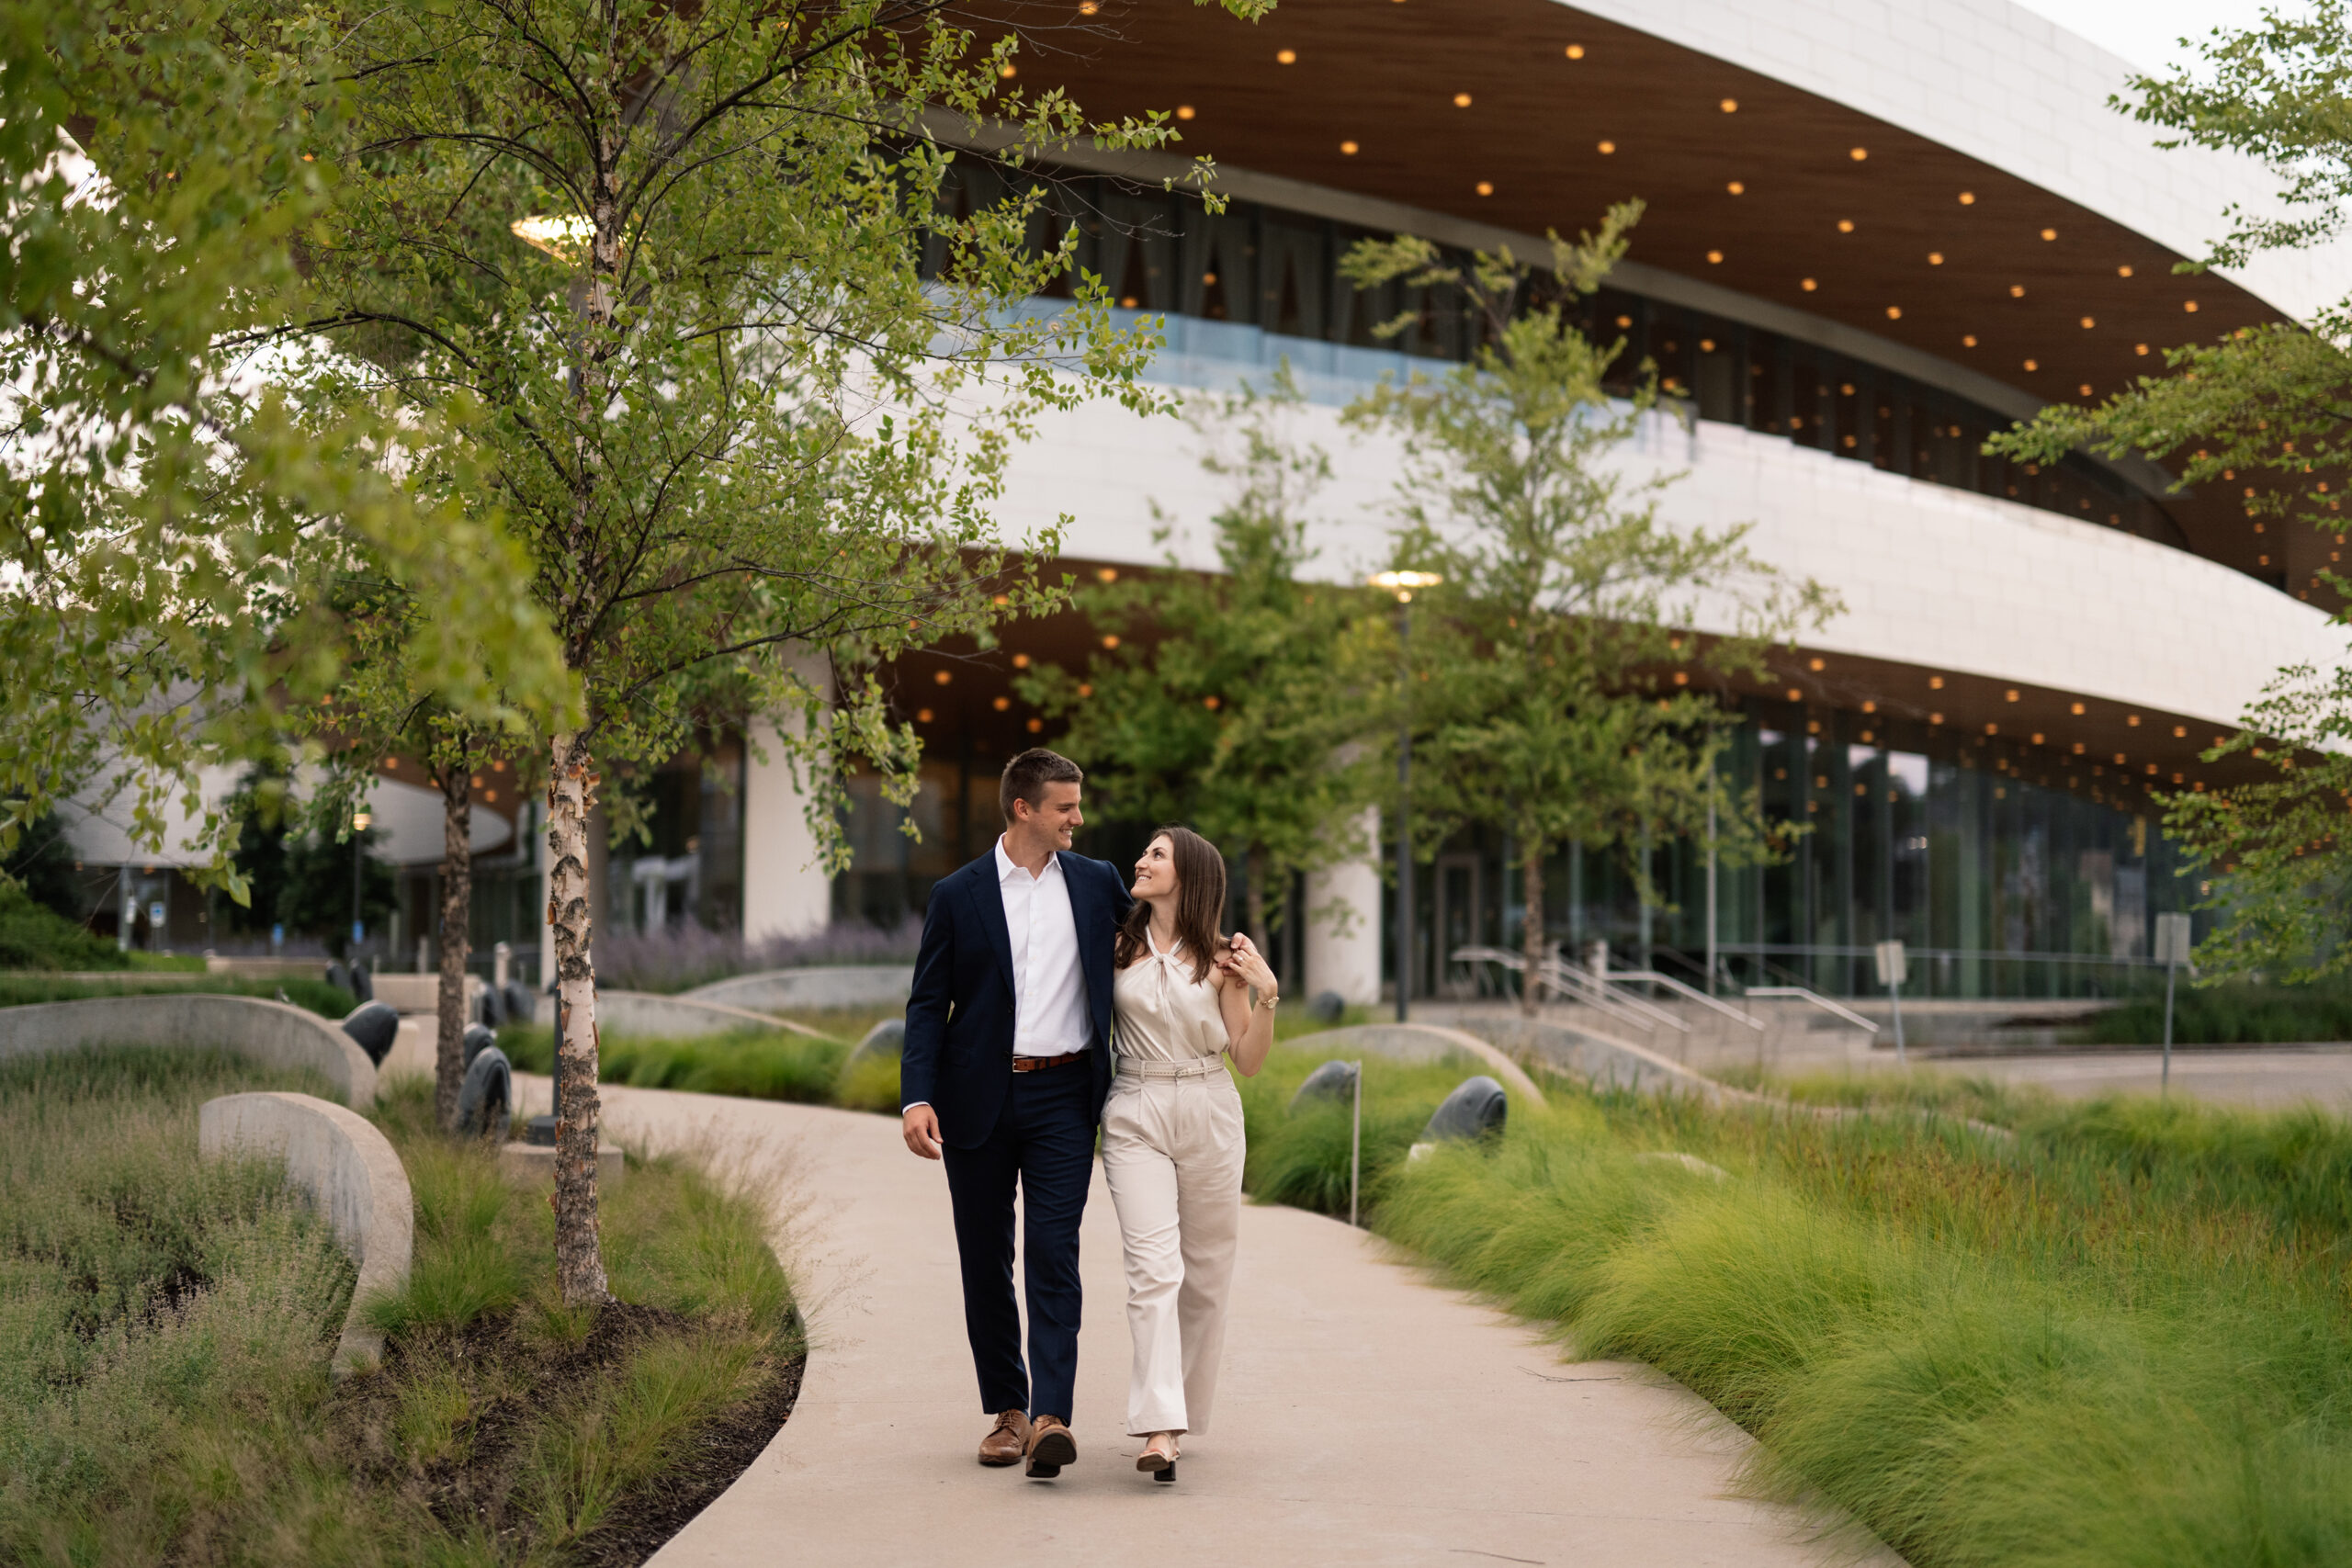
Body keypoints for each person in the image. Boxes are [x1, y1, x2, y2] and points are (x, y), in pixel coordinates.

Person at [898, 748, 1131, 1479]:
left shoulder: (1097, 884)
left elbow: (1152, 952)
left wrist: (1224, 954)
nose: (1078, 818)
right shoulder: (957, 893)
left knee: (1054, 1252)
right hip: (978, 1100)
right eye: (1066, 806)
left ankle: (1052, 1417)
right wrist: (916, 1094)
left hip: (1066, 1095)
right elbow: (928, 1003)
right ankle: (1008, 1409)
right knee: (986, 1258)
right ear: (1024, 808)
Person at [1102, 825, 1278, 1483]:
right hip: (1135, 1107)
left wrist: (1267, 995)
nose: (1140, 861)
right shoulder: (1117, 943)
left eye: (1156, 855)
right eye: (1143, 851)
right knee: (1153, 1269)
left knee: (1205, 1274)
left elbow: (1250, 1061)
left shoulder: (1220, 957)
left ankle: (1180, 1412)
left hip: (1208, 1103)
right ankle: (1159, 1425)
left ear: (1190, 874)